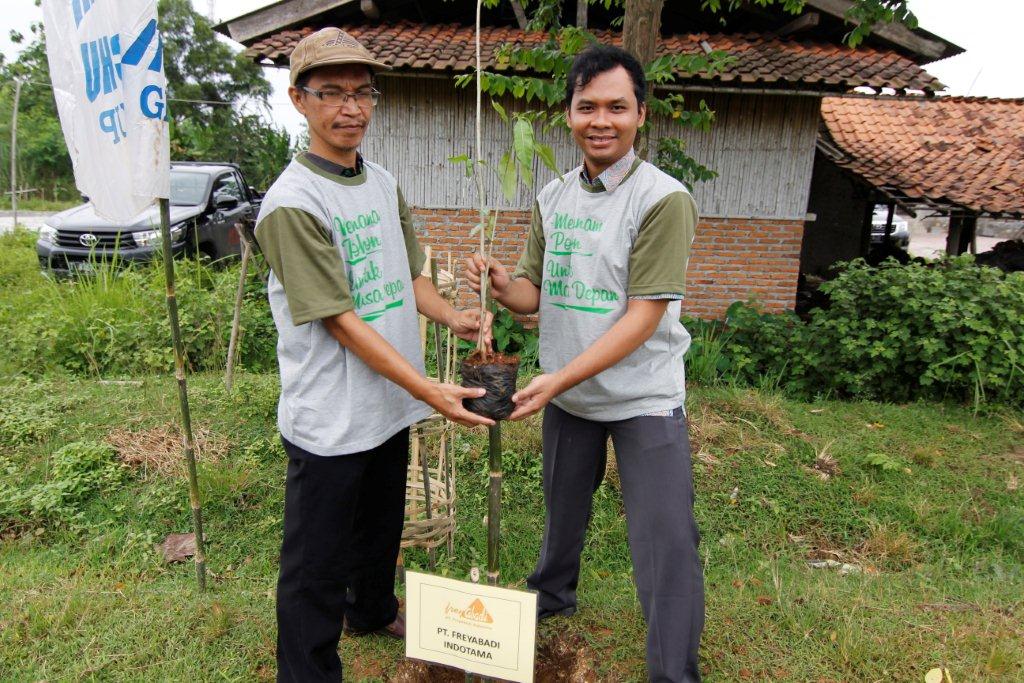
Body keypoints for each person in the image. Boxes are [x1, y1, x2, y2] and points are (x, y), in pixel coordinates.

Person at [255, 28, 494, 683]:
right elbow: (339, 319)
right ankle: (307, 669)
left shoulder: (382, 182)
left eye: (362, 93)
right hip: (331, 414)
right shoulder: (293, 204)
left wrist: (452, 313)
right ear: (299, 100)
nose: (350, 108)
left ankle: (371, 609)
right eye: (331, 92)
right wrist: (428, 387)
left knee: (381, 526)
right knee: (316, 560)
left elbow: (410, 273)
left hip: (388, 402)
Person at [467, 44, 704, 682]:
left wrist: (559, 379)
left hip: (640, 397)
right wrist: (499, 283)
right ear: (568, 115)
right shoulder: (554, 196)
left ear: (641, 115)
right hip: (569, 396)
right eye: (587, 106)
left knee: (666, 542)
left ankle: (673, 672)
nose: (602, 120)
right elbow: (531, 294)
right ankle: (552, 593)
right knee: (561, 510)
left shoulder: (662, 200)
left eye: (617, 107)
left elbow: (642, 318)